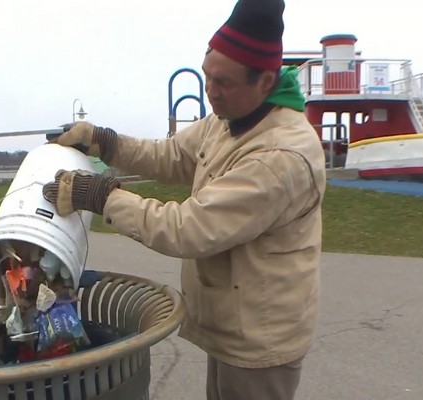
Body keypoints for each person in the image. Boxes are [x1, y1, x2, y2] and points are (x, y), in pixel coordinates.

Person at [42, 0, 326, 399]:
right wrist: (106, 142)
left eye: (223, 82)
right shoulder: (230, 117)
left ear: (265, 82)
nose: (211, 92)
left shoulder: (281, 157)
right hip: (231, 322)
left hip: (259, 339)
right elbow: (171, 155)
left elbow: (188, 229)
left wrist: (102, 196)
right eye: (207, 76)